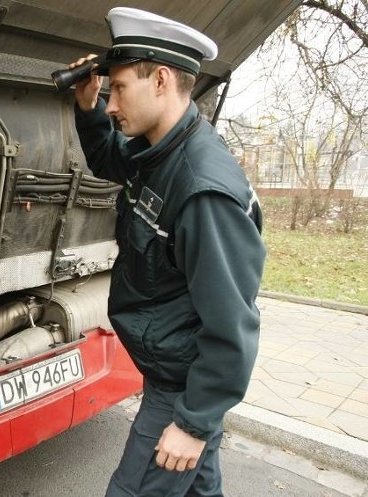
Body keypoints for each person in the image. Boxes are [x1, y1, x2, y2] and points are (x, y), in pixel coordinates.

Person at [70, 7, 266, 497]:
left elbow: (232, 324)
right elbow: (111, 157)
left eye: (118, 89)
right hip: (174, 375)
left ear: (160, 79)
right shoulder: (158, 149)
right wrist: (89, 107)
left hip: (183, 389)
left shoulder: (203, 191)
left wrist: (194, 422)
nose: (113, 104)